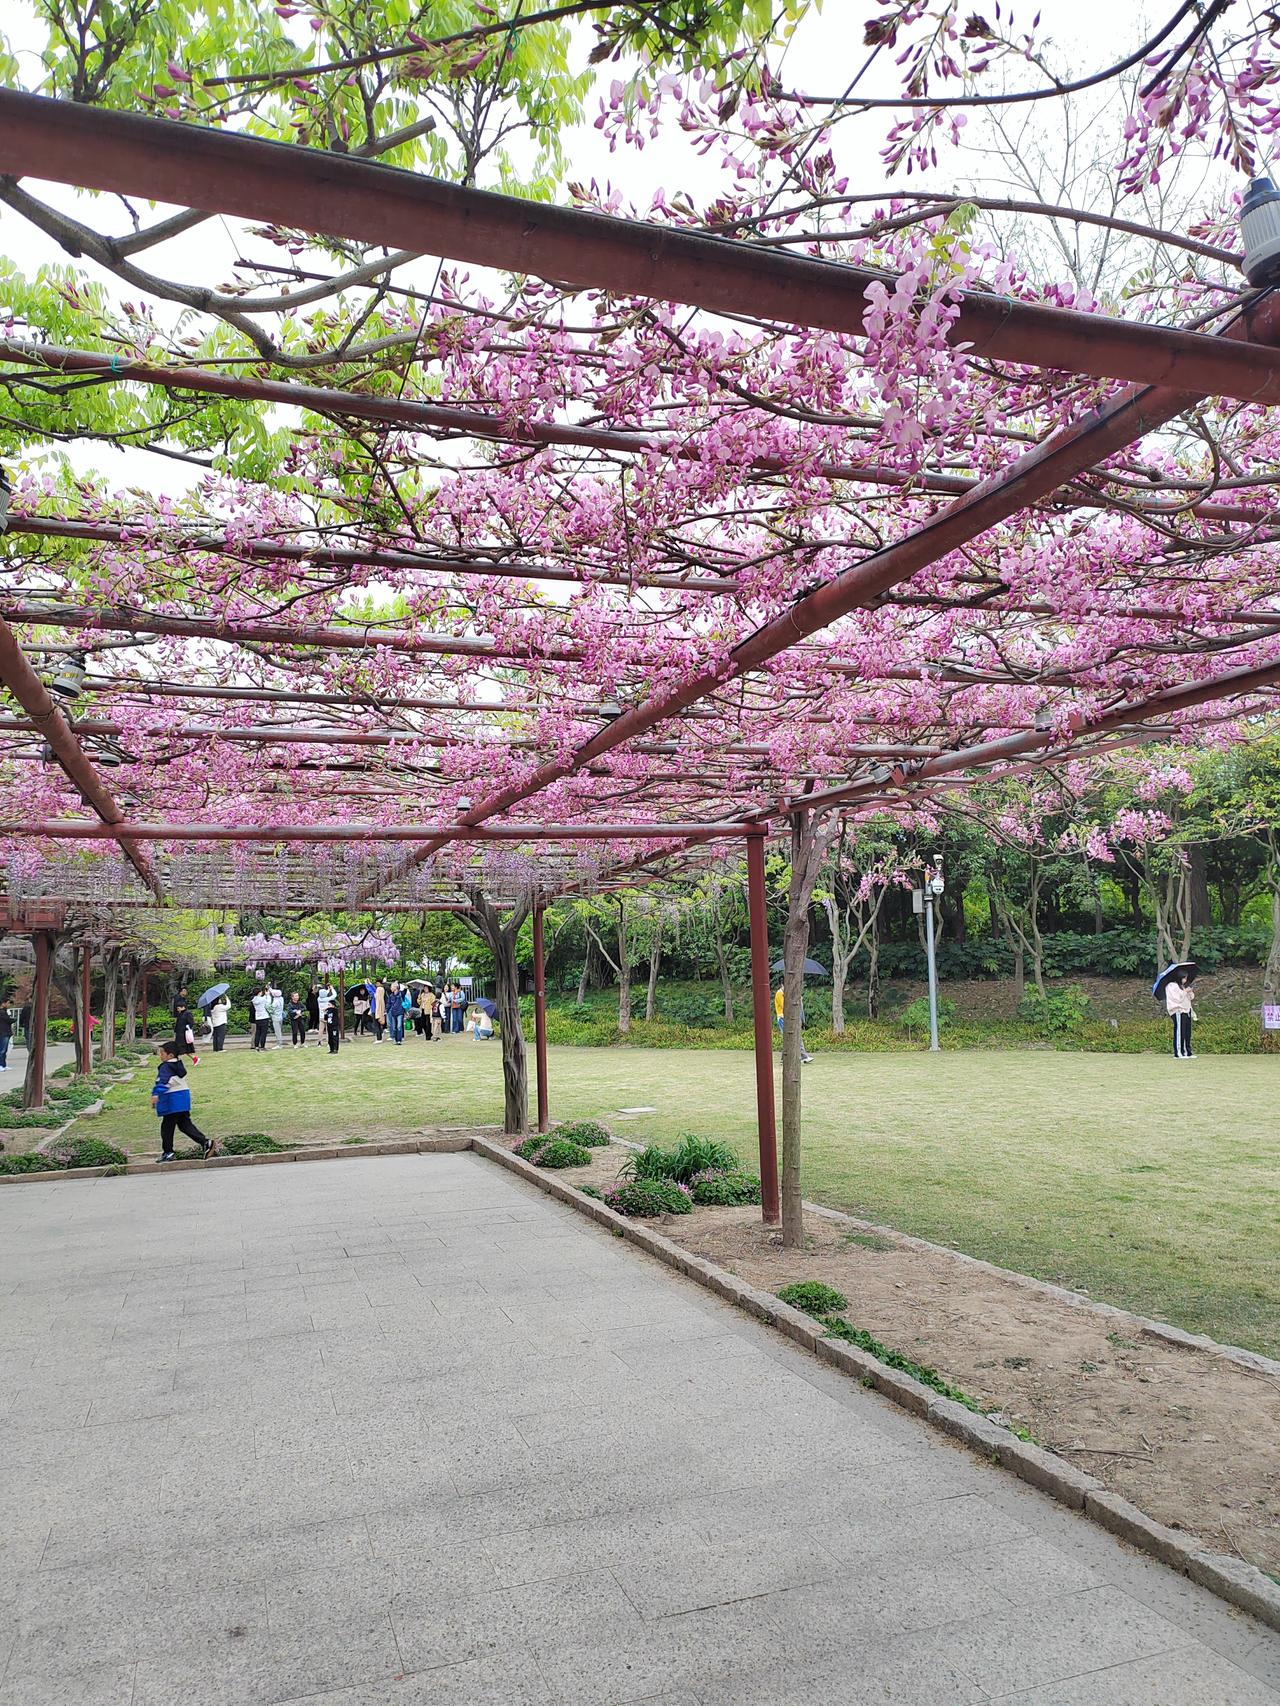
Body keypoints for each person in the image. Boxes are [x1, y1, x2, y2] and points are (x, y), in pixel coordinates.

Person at [152, 1041, 216, 1162]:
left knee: (167, 1127)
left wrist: (156, 1094)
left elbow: (163, 1082)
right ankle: (206, 1142)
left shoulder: (166, 1067)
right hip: (183, 1097)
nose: (160, 1056)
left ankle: (168, 1152)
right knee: (184, 1124)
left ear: (170, 1055)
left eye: (162, 1053)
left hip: (172, 1100)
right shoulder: (178, 1065)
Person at [774, 983, 813, 1063]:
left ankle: (788, 1058)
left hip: (789, 1018)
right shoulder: (779, 993)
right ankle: (803, 1056)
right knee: (789, 1037)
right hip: (782, 1018)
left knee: (792, 1037)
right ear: (782, 985)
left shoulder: (786, 994)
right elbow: (785, 1006)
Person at [1166, 969, 1197, 1059]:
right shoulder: (1171, 986)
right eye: (1184, 978)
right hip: (1178, 1011)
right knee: (1180, 1031)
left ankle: (1187, 1051)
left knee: (1187, 1032)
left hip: (1187, 1010)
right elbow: (1177, 999)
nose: (1185, 980)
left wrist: (1190, 992)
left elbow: (1190, 998)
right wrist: (1184, 992)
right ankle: (1178, 1052)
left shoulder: (1182, 986)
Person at [171, 989, 200, 1065]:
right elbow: (177, 1024)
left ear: (183, 1007)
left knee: (181, 1049)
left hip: (184, 1034)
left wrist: (187, 1028)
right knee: (185, 1050)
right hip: (179, 1034)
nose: (178, 1010)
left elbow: (191, 1023)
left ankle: (177, 1062)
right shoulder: (180, 1014)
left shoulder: (187, 1013)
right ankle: (195, 1058)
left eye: (179, 1008)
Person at [316, 979, 337, 1047]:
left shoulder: (319, 999)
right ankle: (329, 1042)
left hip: (321, 1016)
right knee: (329, 1030)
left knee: (321, 1030)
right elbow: (334, 995)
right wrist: (332, 989)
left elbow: (324, 994)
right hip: (327, 1016)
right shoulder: (327, 999)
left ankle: (319, 1042)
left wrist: (328, 989)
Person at [250, 986, 271, 1052]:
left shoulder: (254, 1000)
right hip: (264, 1017)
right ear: (259, 993)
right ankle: (262, 1047)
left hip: (257, 1018)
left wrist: (266, 994)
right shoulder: (261, 999)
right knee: (263, 1033)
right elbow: (268, 1002)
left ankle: (256, 1046)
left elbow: (263, 998)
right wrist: (268, 995)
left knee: (258, 1033)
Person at [387, 980, 407, 1045]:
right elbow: (389, 1004)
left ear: (396, 987)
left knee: (399, 1026)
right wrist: (386, 1011)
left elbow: (405, 989)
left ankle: (399, 1040)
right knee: (394, 1027)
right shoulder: (391, 996)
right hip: (393, 1013)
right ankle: (395, 1039)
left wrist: (398, 983)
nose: (391, 988)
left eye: (392, 987)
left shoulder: (401, 993)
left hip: (400, 1012)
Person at [268, 985, 285, 1049]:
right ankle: (279, 1043)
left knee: (277, 1032)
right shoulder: (281, 998)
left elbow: (270, 1010)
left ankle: (279, 1044)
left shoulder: (275, 1002)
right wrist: (269, 987)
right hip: (280, 1017)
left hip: (276, 1018)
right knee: (279, 1031)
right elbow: (272, 991)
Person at [0, 1000, 12, 1070]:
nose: (9, 1005)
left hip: (5, 1032)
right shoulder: (2, 1012)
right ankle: (1, 1065)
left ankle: (3, 1065)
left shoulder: (4, 1012)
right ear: (3, 1003)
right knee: (2, 1050)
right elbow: (8, 1020)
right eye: (7, 1003)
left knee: (4, 1050)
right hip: (3, 1032)